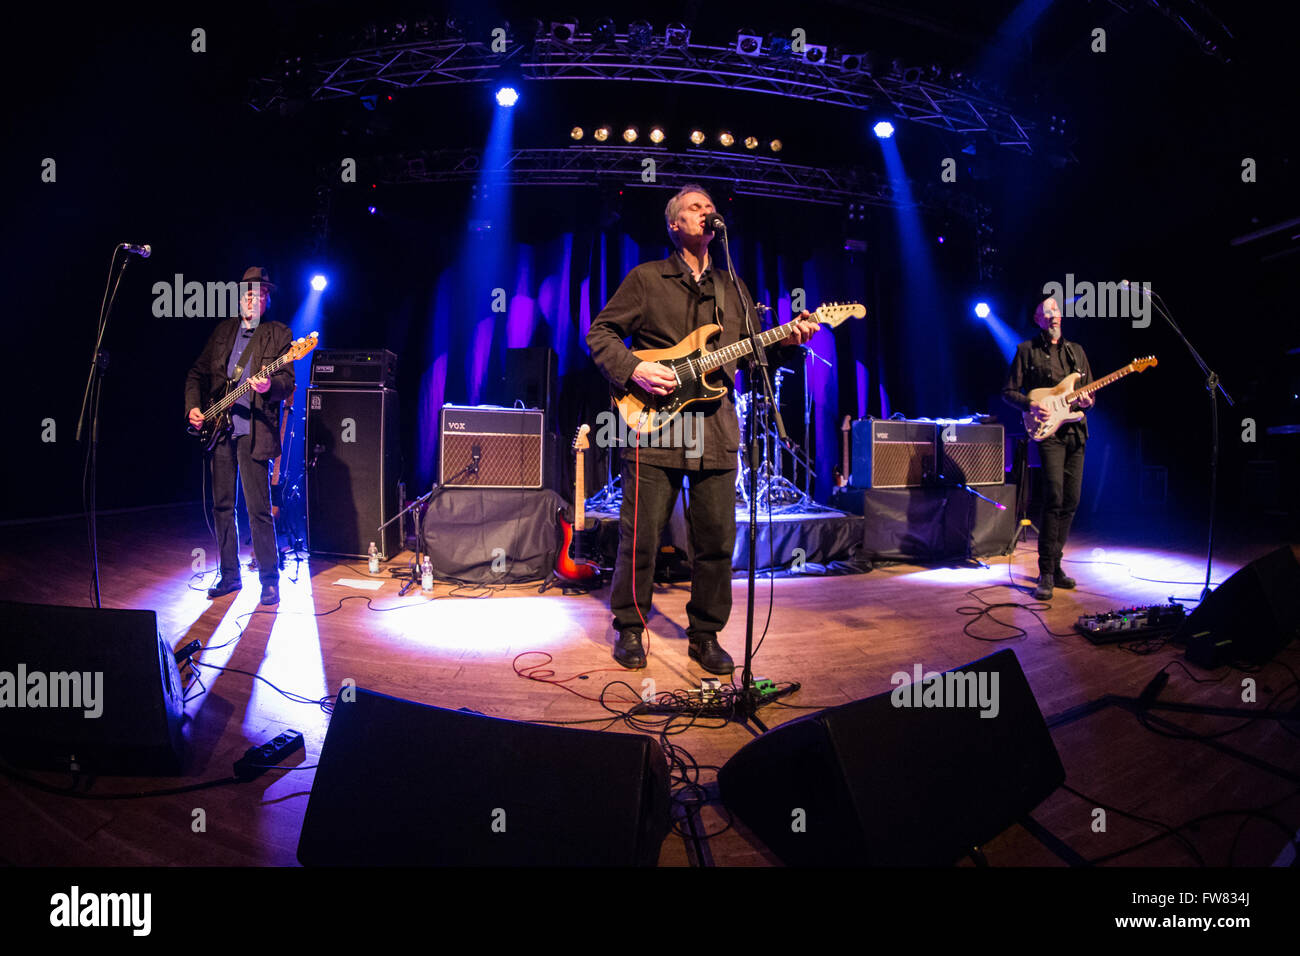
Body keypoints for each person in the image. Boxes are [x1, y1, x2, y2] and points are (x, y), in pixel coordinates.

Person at [586, 185, 816, 673]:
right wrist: (634, 370)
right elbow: (600, 333)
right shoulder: (647, 278)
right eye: (695, 207)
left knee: (716, 540)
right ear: (674, 224)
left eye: (710, 207)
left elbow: (758, 356)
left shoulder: (733, 285)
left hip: (715, 427)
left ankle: (706, 634)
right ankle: (630, 627)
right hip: (656, 423)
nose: (707, 212)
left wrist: (791, 340)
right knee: (641, 535)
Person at [185, 267, 294, 606]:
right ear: (239, 298)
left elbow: (288, 382)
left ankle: (269, 580)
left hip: (254, 433)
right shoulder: (223, 332)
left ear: (267, 300)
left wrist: (270, 385)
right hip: (220, 431)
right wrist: (193, 407)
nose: (254, 298)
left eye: (260, 294)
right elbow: (196, 373)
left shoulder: (279, 334)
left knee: (258, 508)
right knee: (222, 505)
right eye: (248, 293)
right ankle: (230, 575)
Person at [1002, 292, 1094, 600]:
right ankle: (1045, 572)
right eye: (1048, 311)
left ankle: (1056, 564)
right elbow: (1008, 391)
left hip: (1075, 433)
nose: (1055, 314)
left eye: (1057, 310)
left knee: (1072, 500)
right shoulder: (1026, 351)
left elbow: (1087, 397)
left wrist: (1088, 400)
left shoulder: (1076, 352)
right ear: (1038, 319)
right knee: (1054, 497)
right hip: (1048, 434)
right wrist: (1030, 404)